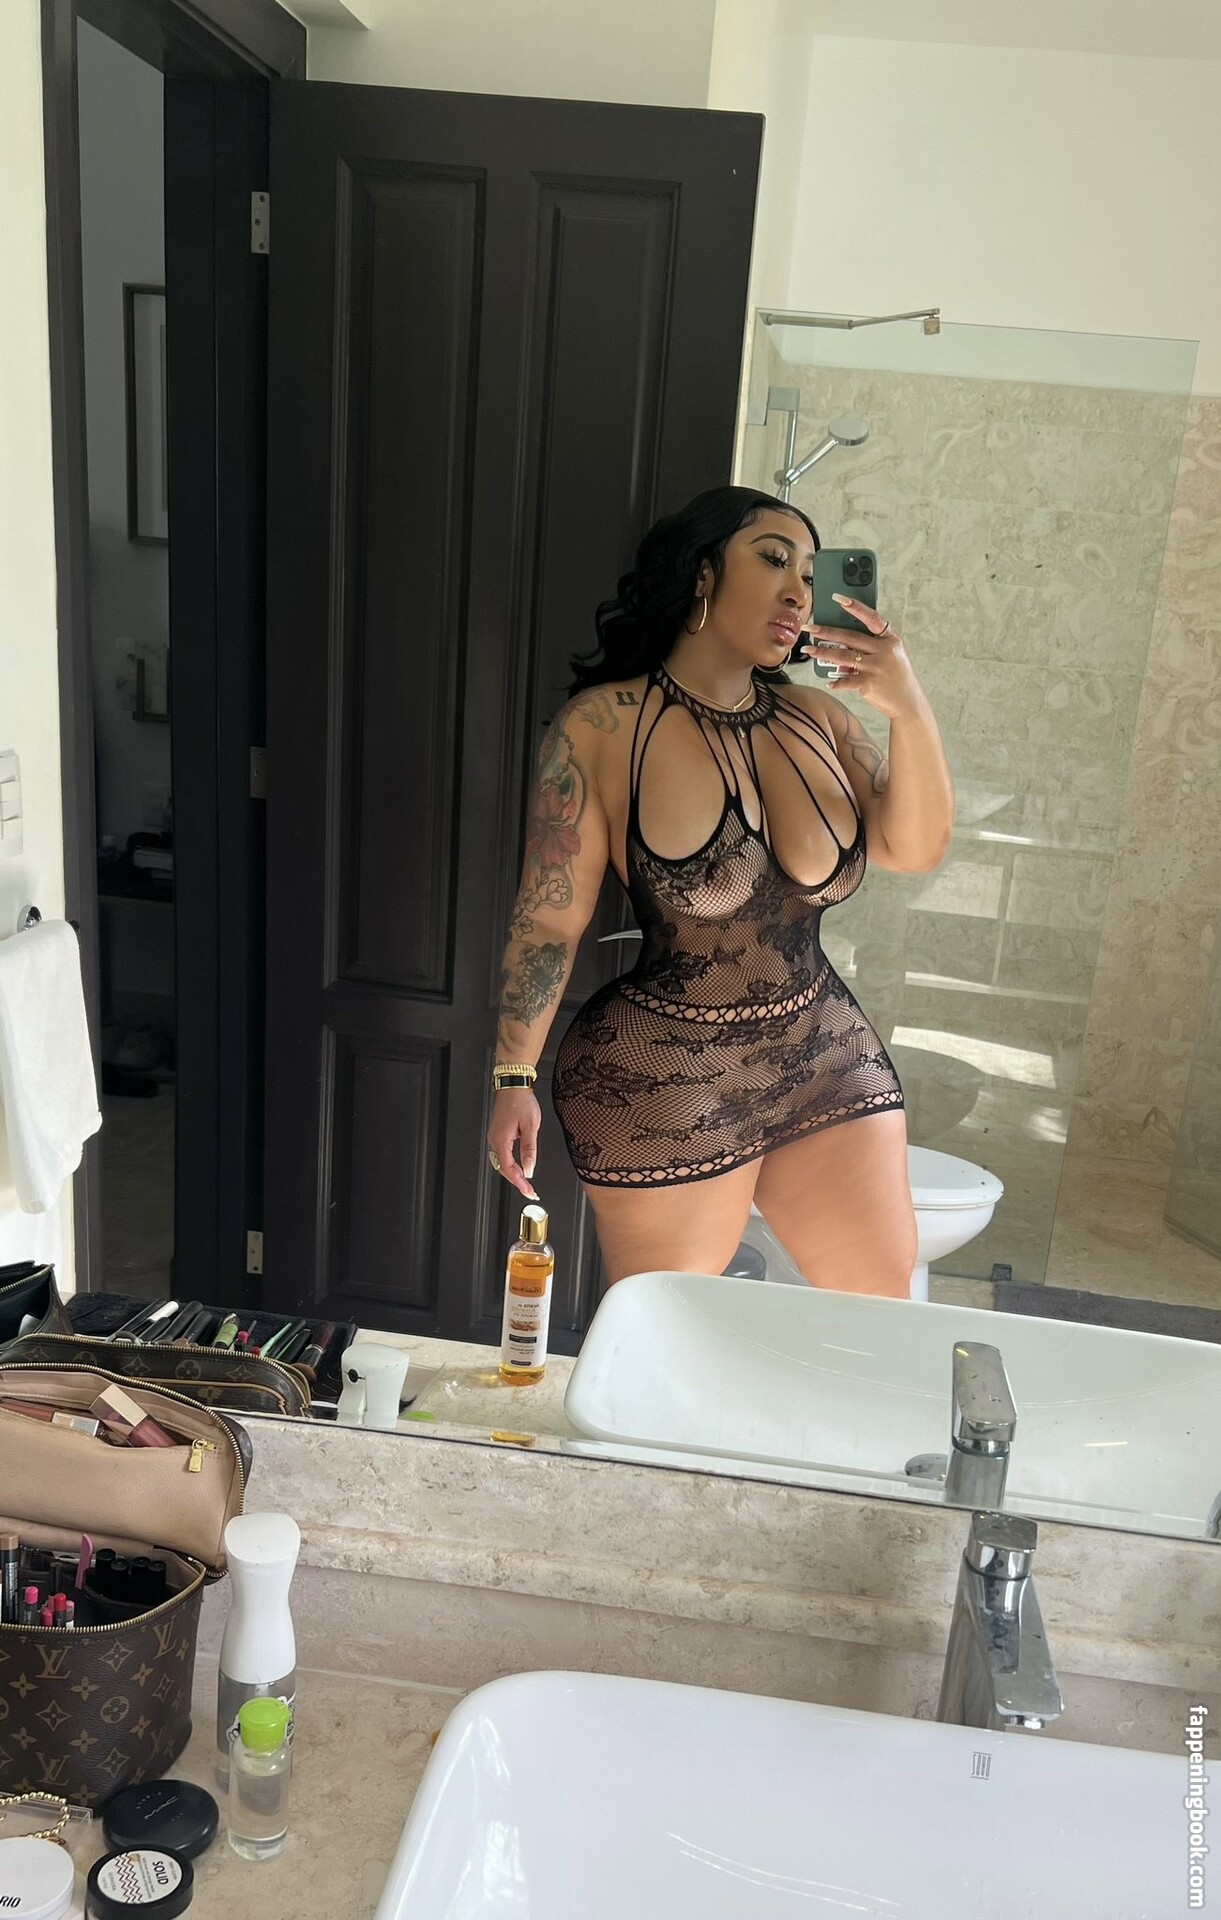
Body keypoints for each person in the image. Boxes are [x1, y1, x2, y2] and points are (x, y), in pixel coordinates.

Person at [486, 487, 954, 1296]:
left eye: (810, 575)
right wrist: (511, 1077)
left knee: (880, 1305)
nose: (798, 593)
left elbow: (913, 852)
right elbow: (548, 922)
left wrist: (906, 706)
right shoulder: (602, 727)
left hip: (821, 1049)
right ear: (701, 574)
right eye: (773, 559)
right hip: (662, 1070)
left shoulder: (820, 720)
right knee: (669, 1321)